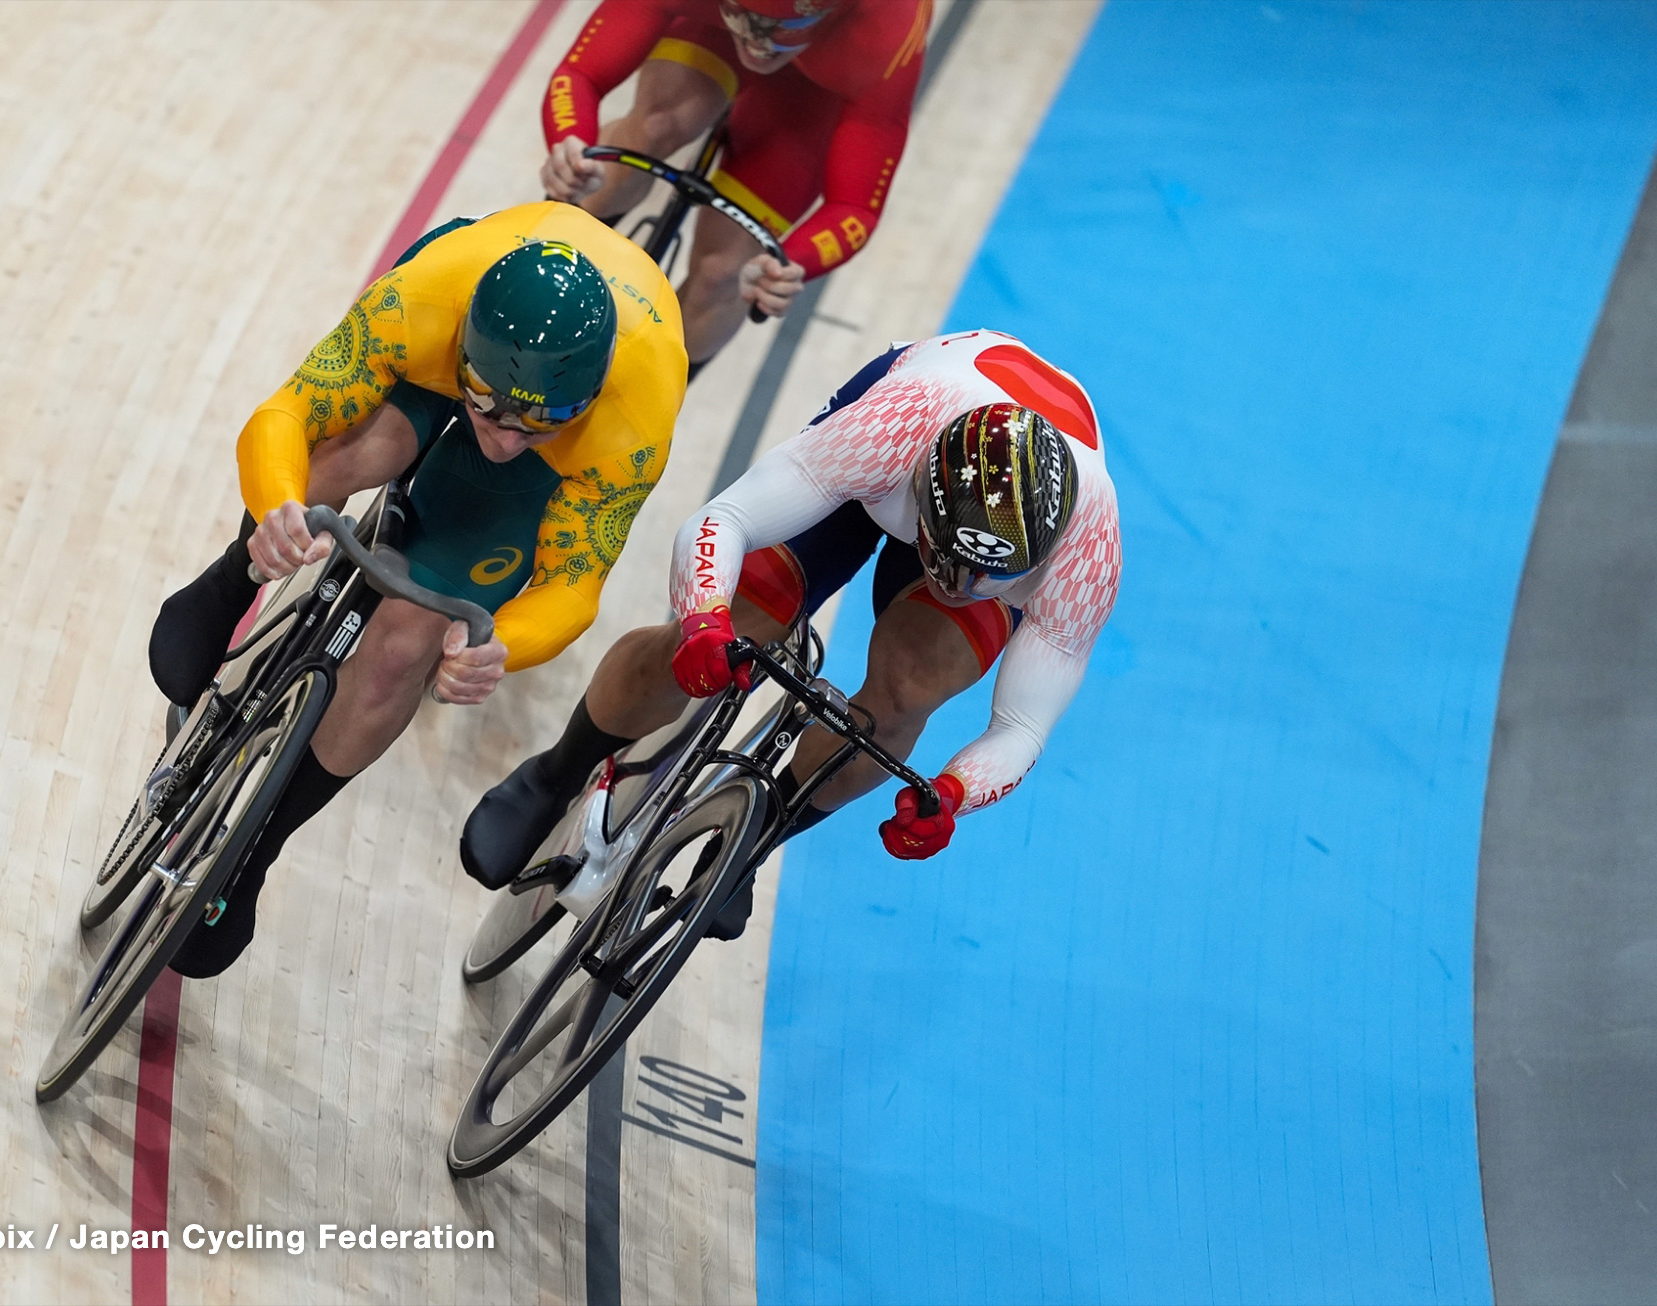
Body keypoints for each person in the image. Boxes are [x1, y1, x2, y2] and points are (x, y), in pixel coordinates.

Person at [149, 201, 687, 977]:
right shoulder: (421, 302)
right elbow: (287, 415)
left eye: (535, 426)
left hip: (573, 380)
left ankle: (253, 854)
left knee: (408, 639)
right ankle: (234, 576)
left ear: (587, 402)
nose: (504, 438)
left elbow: (573, 584)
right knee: (339, 466)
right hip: (445, 342)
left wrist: (501, 642)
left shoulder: (634, 418)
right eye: (489, 410)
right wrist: (275, 512)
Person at [461, 329, 1122, 938]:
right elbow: (727, 520)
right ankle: (559, 771)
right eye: (952, 565)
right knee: (749, 609)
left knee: (912, 688)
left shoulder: (1088, 550)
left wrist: (950, 796)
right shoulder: (887, 431)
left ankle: (752, 839)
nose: (959, 587)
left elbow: (1020, 730)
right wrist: (701, 624)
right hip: (892, 450)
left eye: (988, 580)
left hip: (976, 500)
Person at [539, 0, 931, 367]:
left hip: (822, 85)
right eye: (743, 16)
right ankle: (539, 271)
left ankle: (646, 394)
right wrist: (570, 147)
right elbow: (581, 75)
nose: (758, 44)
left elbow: (855, 207)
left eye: (778, 27)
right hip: (708, 24)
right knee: (654, 128)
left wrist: (788, 264)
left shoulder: (888, 28)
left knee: (725, 273)